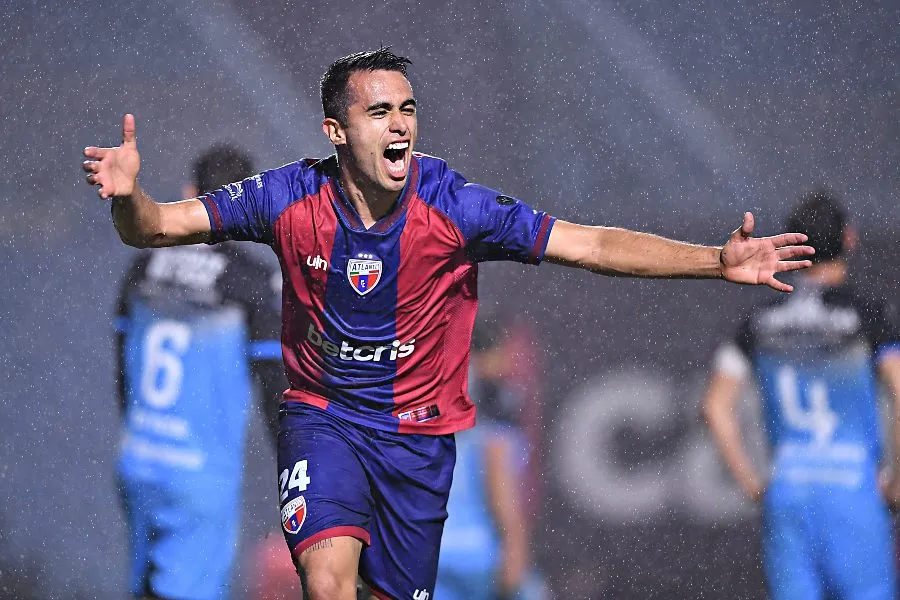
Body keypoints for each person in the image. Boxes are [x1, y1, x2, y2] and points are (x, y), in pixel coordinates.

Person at [84, 48, 813, 600]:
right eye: (379, 113)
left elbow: (589, 244)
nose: (400, 125)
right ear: (336, 131)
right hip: (325, 420)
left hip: (418, 440)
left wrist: (715, 261)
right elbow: (154, 227)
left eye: (407, 109)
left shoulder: (456, 207)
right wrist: (127, 195)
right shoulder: (286, 197)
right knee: (328, 581)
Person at [702, 190, 900, 600]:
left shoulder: (760, 320)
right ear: (849, 239)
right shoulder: (866, 315)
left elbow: (715, 406)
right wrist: (896, 483)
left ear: (794, 244)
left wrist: (753, 484)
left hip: (789, 492)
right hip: (854, 490)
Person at [114, 145, 288, 600]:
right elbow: (276, 389)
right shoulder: (251, 282)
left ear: (190, 194)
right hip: (199, 476)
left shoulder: (144, 264)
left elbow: (121, 366)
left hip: (140, 458)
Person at [436, 319, 546, 600]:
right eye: (504, 352)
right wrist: (515, 546)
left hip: (432, 553)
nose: (510, 362)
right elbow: (501, 494)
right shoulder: (491, 428)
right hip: (479, 558)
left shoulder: (438, 416)